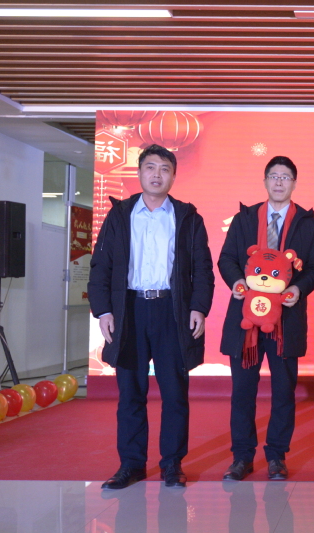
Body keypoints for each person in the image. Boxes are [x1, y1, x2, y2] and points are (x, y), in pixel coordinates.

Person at [88, 144, 215, 489]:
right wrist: (103, 310)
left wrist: (198, 308)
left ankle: (172, 464)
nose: (157, 174)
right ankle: (131, 464)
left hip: (172, 310)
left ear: (173, 176)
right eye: (150, 167)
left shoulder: (188, 217)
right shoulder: (120, 214)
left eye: (164, 169)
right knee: (131, 392)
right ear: (140, 172)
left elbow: (203, 269)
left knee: (175, 393)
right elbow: (101, 265)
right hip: (129, 310)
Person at [218, 155, 314, 481]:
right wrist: (237, 282)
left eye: (285, 177)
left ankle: (277, 456)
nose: (279, 182)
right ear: (265, 181)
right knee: (243, 392)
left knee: (283, 391)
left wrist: (298, 289)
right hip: (246, 321)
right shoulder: (245, 218)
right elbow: (226, 258)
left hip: (285, 322)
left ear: (294, 183)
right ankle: (242, 457)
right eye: (274, 176)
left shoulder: (307, 223)